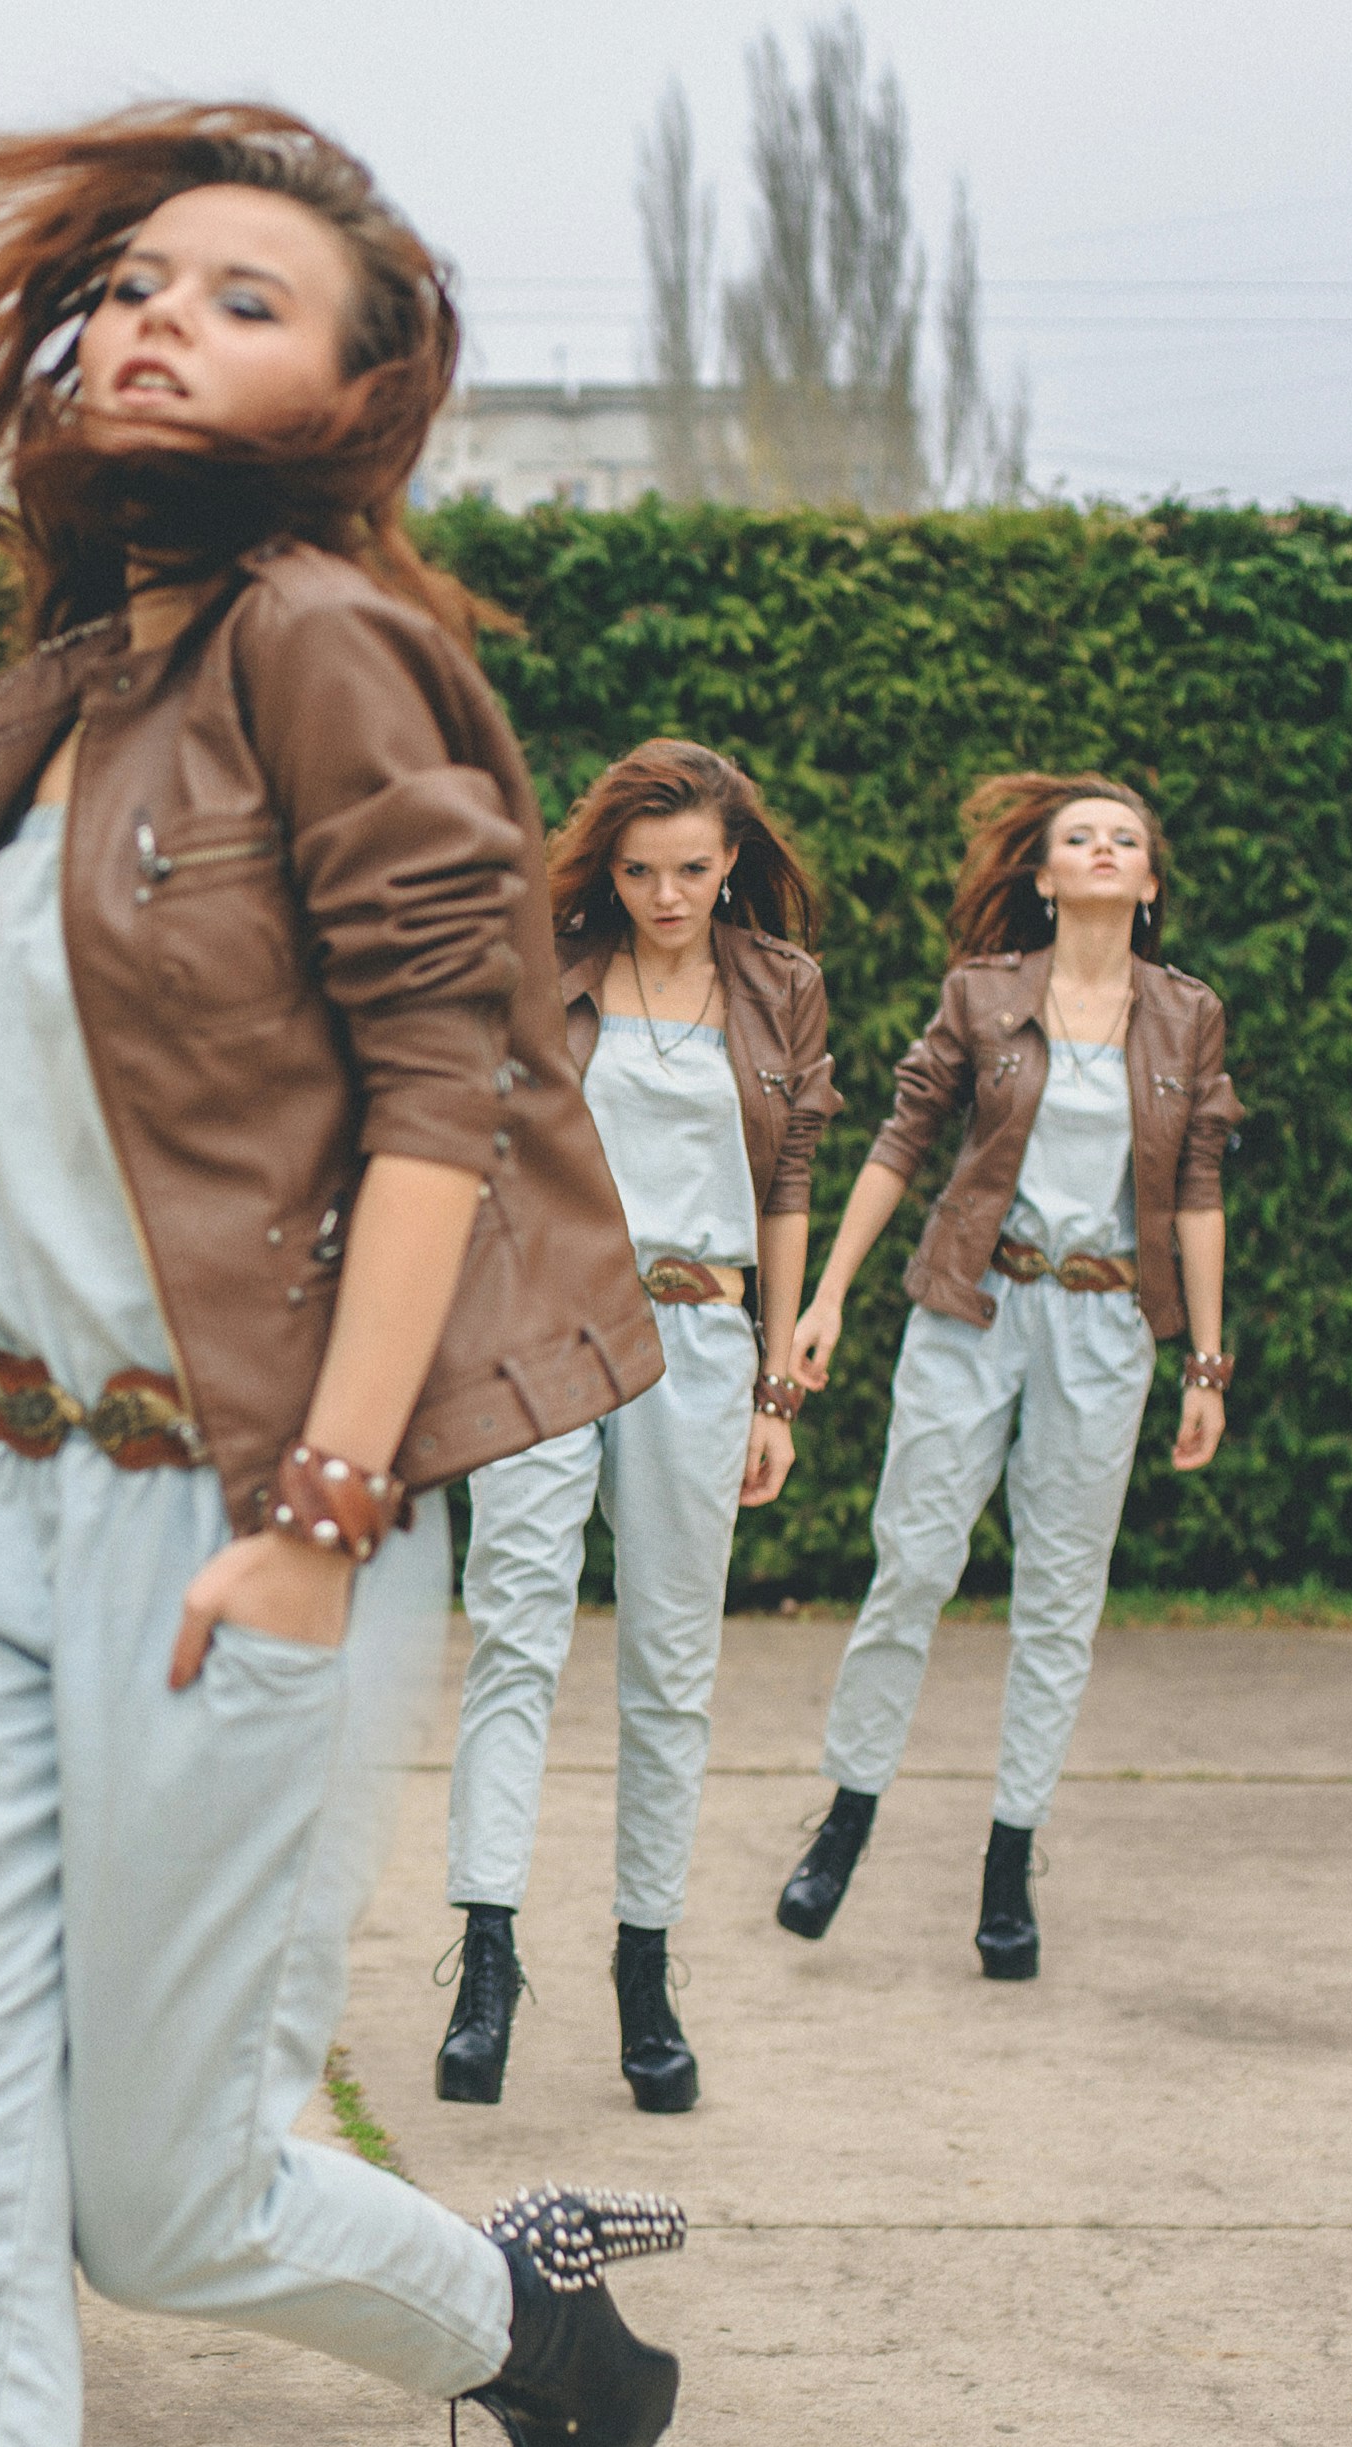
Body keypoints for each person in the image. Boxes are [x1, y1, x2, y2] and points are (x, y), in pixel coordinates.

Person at [0, 103, 693, 2447]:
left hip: (240, 1513)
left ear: (352, 384)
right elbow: (9, 1112)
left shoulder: (322, 639)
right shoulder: (62, 690)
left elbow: (454, 1083)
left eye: (242, 294)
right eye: (134, 280)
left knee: (166, 2205)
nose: (155, 318)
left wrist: (322, 1501)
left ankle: (500, 2308)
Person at [778, 772, 1243, 1980]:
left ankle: (1007, 1863)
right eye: (1077, 836)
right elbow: (902, 1140)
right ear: (1041, 876)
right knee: (916, 1561)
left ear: (1148, 883)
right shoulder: (981, 997)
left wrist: (1205, 1357)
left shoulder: (1188, 1017)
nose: (1101, 849)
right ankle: (846, 1816)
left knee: (1059, 1597)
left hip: (1105, 1328)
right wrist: (826, 1295)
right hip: (973, 1307)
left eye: (1124, 839)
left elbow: (1199, 1187)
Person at [432, 740, 830, 2115]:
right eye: (641, 870)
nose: (667, 894)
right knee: (515, 1634)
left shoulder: (780, 989)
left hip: (704, 1335)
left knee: (671, 1667)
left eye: (693, 871)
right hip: (552, 1319)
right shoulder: (548, 972)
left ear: (733, 866)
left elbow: (788, 1181)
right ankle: (486, 1961)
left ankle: (642, 1969)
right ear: (606, 866)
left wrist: (779, 1376)